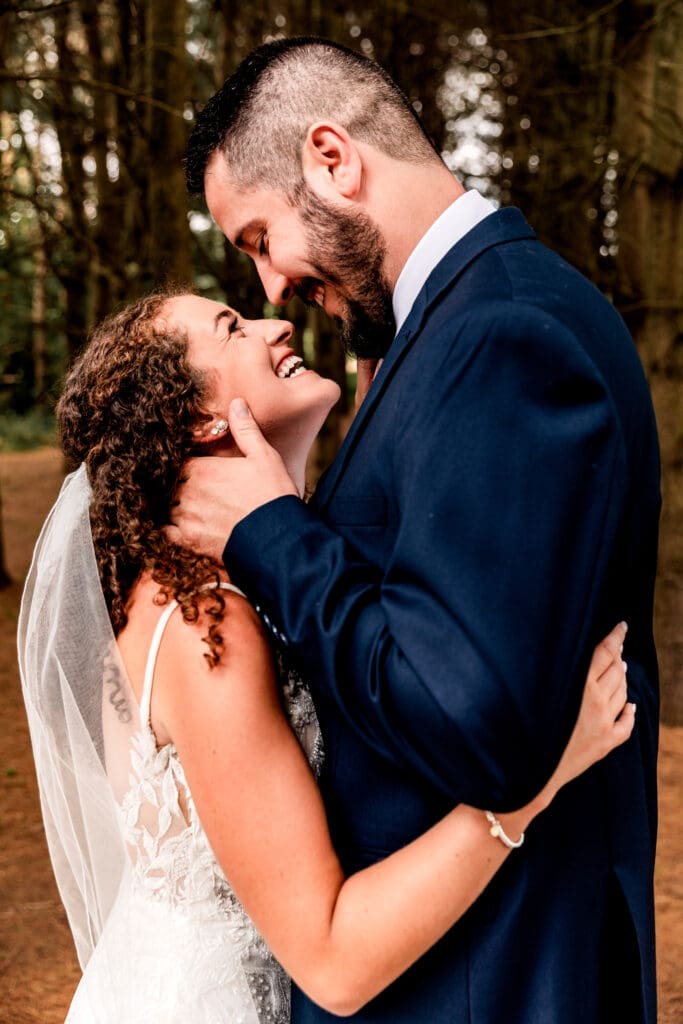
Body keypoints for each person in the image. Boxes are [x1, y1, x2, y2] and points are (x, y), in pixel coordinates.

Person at [173, 36, 662, 1024]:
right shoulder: (455, 327)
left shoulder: (498, 337)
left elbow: (474, 718)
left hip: (493, 978)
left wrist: (273, 534)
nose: (269, 288)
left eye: (260, 238)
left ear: (332, 158)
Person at [18, 291, 633, 1024]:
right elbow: (332, 961)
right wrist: (536, 781)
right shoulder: (207, 622)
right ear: (200, 418)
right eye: (233, 328)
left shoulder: (215, 581)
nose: (276, 323)